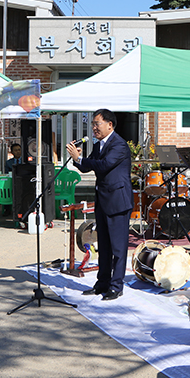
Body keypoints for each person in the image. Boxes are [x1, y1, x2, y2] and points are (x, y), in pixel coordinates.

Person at [67, 109, 132, 301]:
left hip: (118, 202)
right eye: (93, 124)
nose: (94, 128)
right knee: (103, 245)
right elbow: (89, 166)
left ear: (109, 125)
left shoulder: (118, 145)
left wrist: (80, 159)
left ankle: (116, 286)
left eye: (98, 124)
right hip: (103, 201)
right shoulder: (99, 144)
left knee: (118, 248)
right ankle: (102, 283)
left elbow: (104, 165)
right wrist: (77, 159)